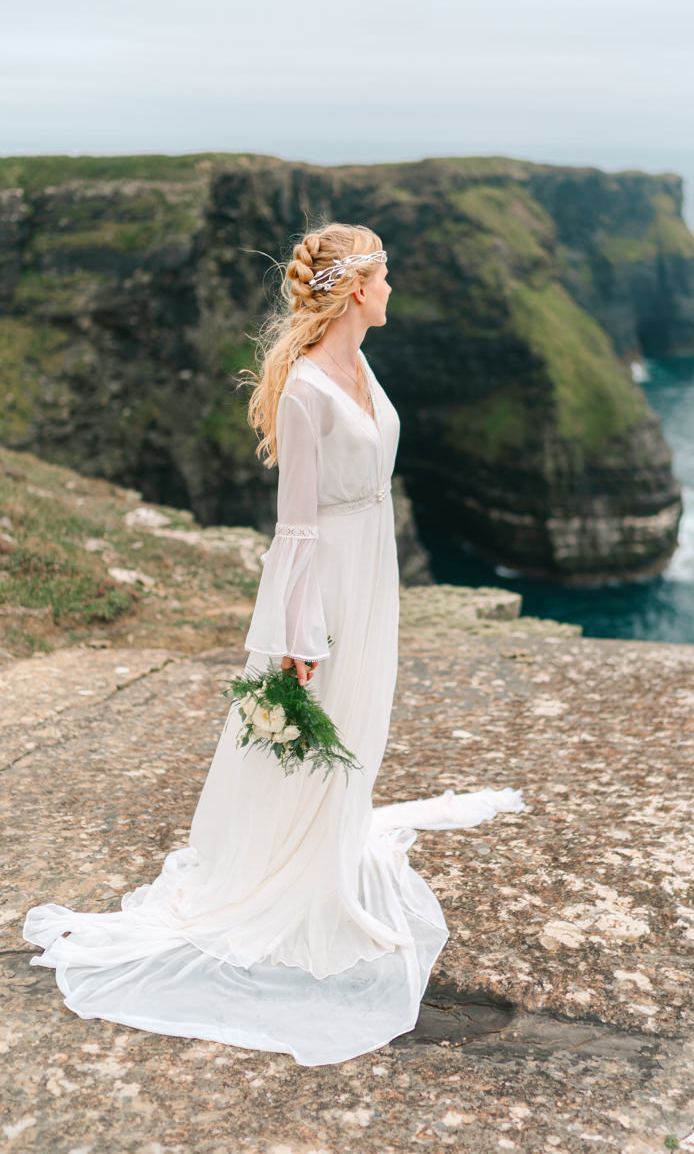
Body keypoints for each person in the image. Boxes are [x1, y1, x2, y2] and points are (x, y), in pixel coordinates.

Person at [23, 221, 523, 1066]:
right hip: (326, 578)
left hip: (373, 569)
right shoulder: (303, 392)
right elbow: (293, 528)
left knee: (360, 724)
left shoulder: (360, 363)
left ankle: (332, 843)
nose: (394, 288)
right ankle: (299, 873)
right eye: (387, 275)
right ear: (357, 287)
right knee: (314, 731)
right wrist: (299, 633)